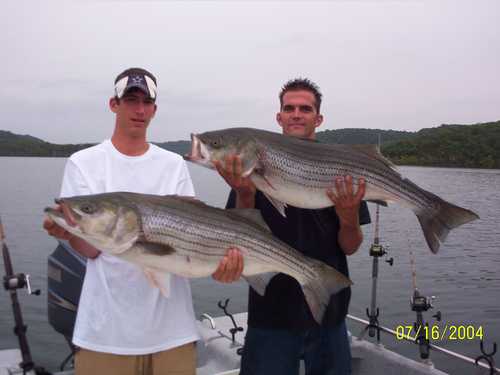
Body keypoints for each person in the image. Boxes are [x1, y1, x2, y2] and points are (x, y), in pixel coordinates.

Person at [43, 67, 243, 375]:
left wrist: (222, 266)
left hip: (173, 335)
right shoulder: (83, 163)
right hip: (104, 336)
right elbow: (92, 250)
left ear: (154, 109)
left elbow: (190, 249)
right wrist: (70, 233)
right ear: (114, 104)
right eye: (131, 99)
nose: (139, 109)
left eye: (146, 102)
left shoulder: (173, 165)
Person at [216, 78, 371, 375]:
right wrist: (245, 193)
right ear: (279, 117)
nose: (296, 114)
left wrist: (349, 215)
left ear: (319, 118)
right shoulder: (250, 166)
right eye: (289, 108)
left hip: (329, 311)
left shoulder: (341, 168)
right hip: (270, 313)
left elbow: (350, 246)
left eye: (305, 108)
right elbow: (236, 237)